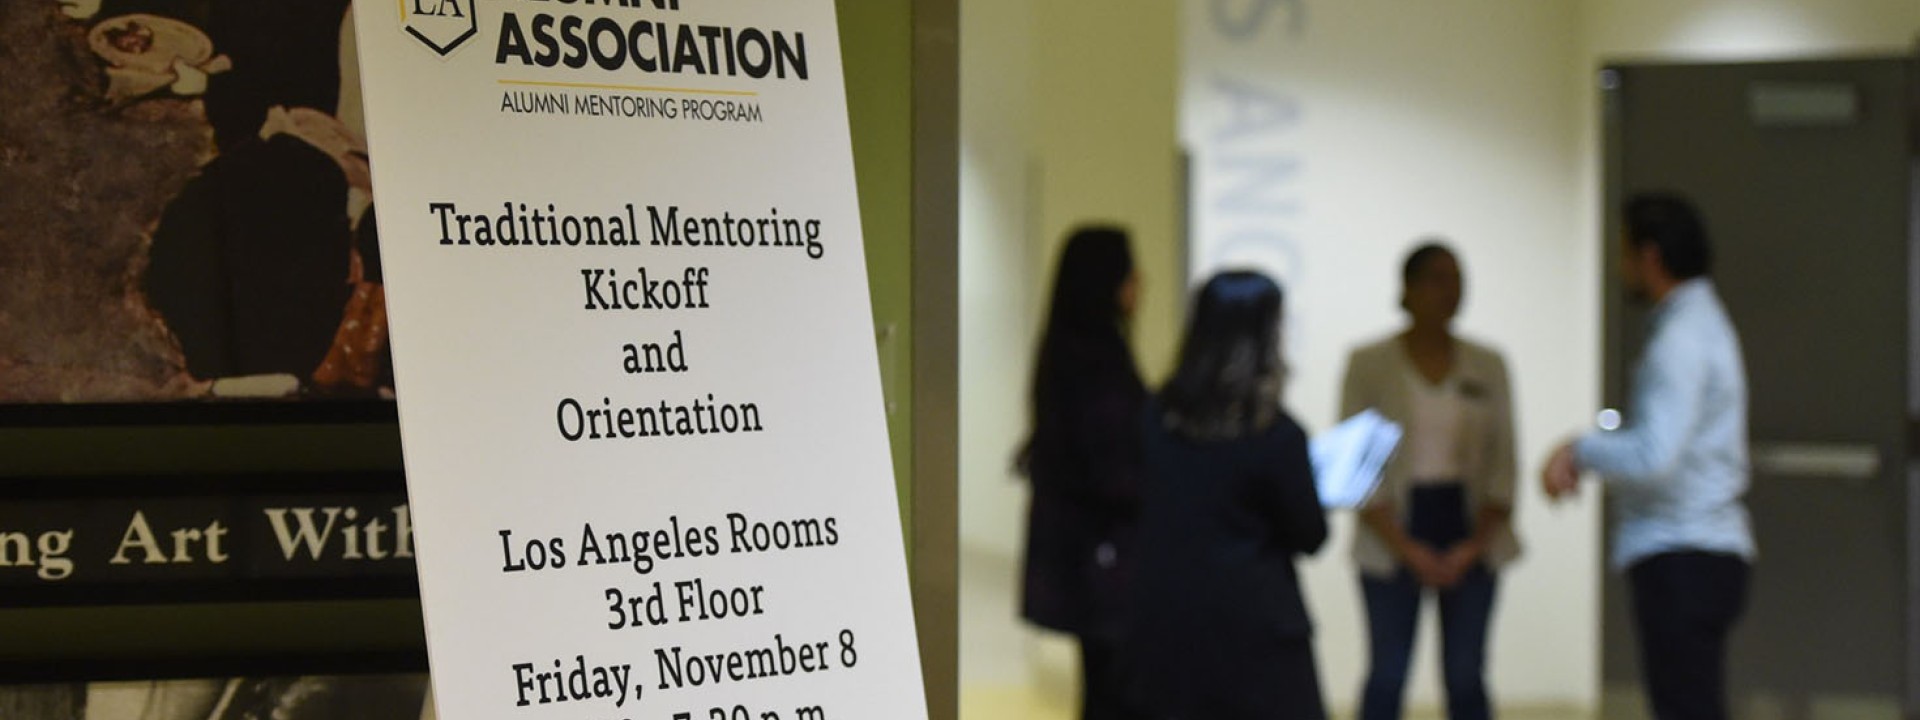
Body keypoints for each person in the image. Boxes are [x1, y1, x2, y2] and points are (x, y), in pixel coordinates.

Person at [1542, 192, 1755, 720]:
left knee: (1686, 707)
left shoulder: (1681, 339)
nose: (1620, 268)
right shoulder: (1698, 326)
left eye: (1623, 252)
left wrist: (1580, 450)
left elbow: (1656, 455)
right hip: (1697, 548)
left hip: (1684, 550)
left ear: (1650, 256)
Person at [1129, 271, 1329, 720]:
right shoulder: (1276, 435)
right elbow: (1310, 534)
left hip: (1166, 623)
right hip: (1257, 632)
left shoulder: (1154, 420)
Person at [1341, 242, 1518, 720]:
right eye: (1438, 279)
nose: (1451, 291)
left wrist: (1474, 544)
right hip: (1393, 524)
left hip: (1467, 522)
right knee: (1388, 673)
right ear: (1409, 288)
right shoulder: (1370, 364)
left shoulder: (1487, 364)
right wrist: (1406, 547)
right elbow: (1357, 468)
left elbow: (1504, 464)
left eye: (1457, 279)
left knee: (1466, 675)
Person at [1018, 226, 1147, 720]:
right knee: (1115, 695)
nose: (1140, 281)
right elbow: (1113, 472)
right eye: (1128, 271)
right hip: (1105, 561)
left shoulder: (1069, 352)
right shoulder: (1098, 363)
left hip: (1088, 560)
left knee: (1104, 690)